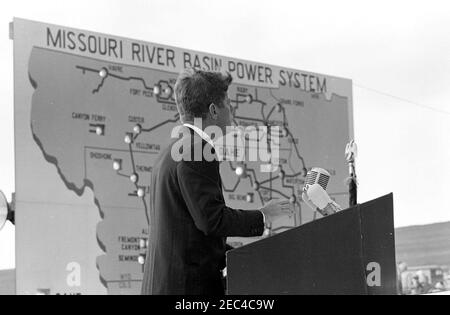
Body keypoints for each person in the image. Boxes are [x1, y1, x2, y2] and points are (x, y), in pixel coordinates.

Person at [141, 68, 292, 295]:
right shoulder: (198, 151)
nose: (231, 112)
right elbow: (211, 220)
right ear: (213, 110)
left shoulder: (169, 153)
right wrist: (263, 214)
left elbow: (188, 232)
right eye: (228, 104)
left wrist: (231, 254)